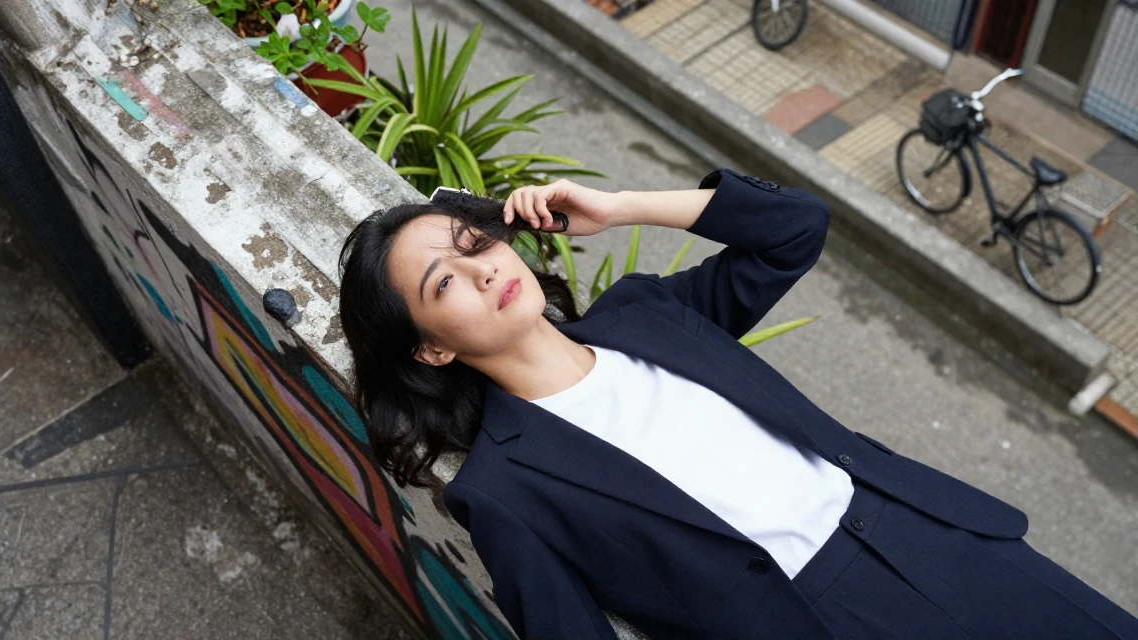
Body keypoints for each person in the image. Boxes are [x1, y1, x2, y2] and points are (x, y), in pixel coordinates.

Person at [336, 169, 1138, 639]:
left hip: (934, 540)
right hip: (818, 619)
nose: (480, 272)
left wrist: (620, 206)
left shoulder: (645, 313)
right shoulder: (502, 493)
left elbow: (796, 228)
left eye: (474, 244)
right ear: (430, 347)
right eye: (444, 282)